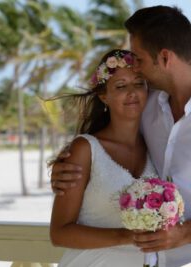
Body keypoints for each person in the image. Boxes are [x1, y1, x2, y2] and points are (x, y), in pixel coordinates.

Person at [50, 6, 191, 267]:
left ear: (165, 58)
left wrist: (186, 232)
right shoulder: (147, 105)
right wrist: (65, 169)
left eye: (139, 60)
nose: (136, 70)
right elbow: (105, 146)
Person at [49, 49, 164, 266]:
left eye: (139, 83)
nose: (132, 92)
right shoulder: (85, 149)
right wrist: (127, 236)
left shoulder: (155, 145)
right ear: (104, 96)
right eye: (120, 86)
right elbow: (59, 233)